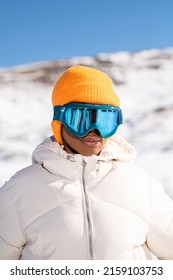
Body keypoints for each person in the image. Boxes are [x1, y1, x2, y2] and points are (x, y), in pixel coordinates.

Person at [0, 65, 173, 260]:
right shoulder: (18, 192)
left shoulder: (142, 187)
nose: (94, 130)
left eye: (105, 119)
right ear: (60, 121)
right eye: (81, 118)